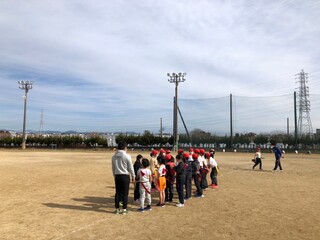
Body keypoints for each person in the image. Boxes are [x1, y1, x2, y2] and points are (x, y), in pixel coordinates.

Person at [111, 141, 135, 214]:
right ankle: (124, 209)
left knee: (117, 193)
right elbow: (130, 167)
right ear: (125, 148)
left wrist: (114, 175)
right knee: (125, 193)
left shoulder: (114, 156)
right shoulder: (127, 156)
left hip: (117, 176)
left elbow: (113, 168)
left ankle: (117, 209)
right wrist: (133, 176)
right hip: (125, 176)